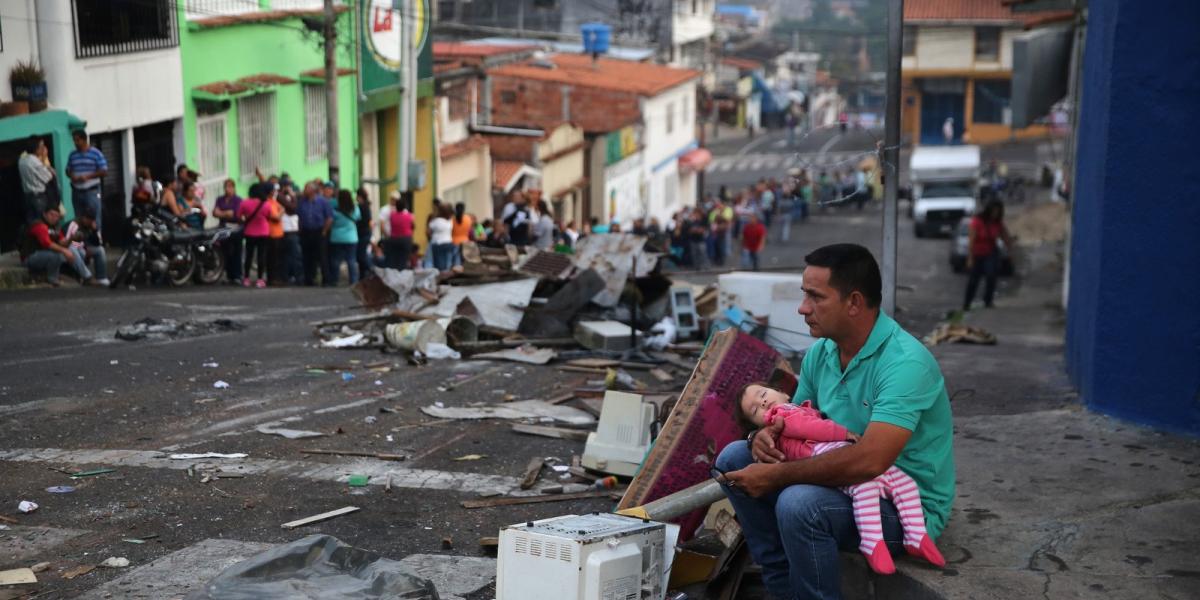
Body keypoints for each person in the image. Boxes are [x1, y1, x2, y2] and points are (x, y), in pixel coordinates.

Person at [713, 243, 954, 600]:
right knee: (733, 458)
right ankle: (782, 589)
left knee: (798, 503)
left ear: (854, 303)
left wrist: (776, 475)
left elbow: (869, 460)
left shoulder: (905, 364)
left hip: (901, 506)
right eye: (803, 295)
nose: (802, 308)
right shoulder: (821, 353)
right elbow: (794, 423)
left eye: (815, 297)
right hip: (843, 486)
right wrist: (762, 438)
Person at [733, 384, 946, 575]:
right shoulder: (783, 414)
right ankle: (872, 542)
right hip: (824, 454)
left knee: (904, 483)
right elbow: (810, 428)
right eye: (755, 410)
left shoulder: (796, 407)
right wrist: (845, 433)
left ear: (784, 392)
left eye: (762, 394)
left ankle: (916, 536)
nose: (762, 402)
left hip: (839, 454)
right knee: (863, 487)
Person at [20, 205, 93, 287]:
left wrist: (71, 239)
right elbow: (47, 244)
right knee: (59, 254)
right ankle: (53, 279)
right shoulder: (39, 225)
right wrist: (65, 250)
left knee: (80, 251)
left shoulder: (55, 227)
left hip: (47, 253)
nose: (54, 218)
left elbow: (63, 242)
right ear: (45, 214)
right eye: (51, 215)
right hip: (31, 256)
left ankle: (79, 276)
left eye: (56, 216)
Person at [963, 200, 1013, 310]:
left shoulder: (997, 223)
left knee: (991, 275)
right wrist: (970, 258)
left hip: (990, 253)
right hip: (977, 252)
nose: (995, 213)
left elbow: (1005, 236)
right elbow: (971, 240)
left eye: (998, 212)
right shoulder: (977, 221)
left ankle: (988, 300)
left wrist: (1010, 251)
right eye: (994, 211)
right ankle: (967, 303)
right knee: (973, 280)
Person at [66, 130, 107, 232]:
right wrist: (72, 176)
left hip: (91, 191)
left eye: (77, 140)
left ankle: (96, 242)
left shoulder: (96, 153)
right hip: (77, 191)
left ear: (84, 140)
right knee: (79, 219)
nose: (75, 143)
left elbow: (104, 171)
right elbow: (67, 170)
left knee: (94, 217)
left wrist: (88, 176)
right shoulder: (72, 154)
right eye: (74, 140)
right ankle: (79, 245)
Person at [296, 181, 333, 286]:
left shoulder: (323, 202)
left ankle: (326, 279)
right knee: (307, 256)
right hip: (306, 231)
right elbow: (299, 216)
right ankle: (309, 278)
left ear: (313, 190)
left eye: (306, 188)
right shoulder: (302, 202)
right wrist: (300, 229)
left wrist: (324, 231)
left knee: (322, 256)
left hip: (319, 231)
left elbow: (329, 218)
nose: (304, 190)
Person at [237, 183, 272, 288]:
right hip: (263, 232)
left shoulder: (245, 203)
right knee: (261, 256)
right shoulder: (266, 204)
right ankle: (260, 279)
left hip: (249, 232)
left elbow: (239, 216)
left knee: (249, 256)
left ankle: (246, 278)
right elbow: (268, 216)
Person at [64, 207, 109, 286]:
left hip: (83, 248)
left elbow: (99, 243)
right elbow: (67, 242)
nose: (87, 220)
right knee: (74, 248)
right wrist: (83, 247)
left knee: (100, 250)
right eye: (86, 217)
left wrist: (95, 231)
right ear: (82, 217)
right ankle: (87, 277)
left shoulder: (92, 226)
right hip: (70, 248)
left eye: (90, 219)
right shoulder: (74, 224)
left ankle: (101, 277)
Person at [326, 189, 361, 286]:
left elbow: (330, 221)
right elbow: (358, 218)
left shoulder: (335, 210)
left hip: (336, 237)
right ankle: (353, 280)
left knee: (335, 260)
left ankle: (335, 279)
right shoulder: (355, 208)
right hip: (351, 237)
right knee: (351, 260)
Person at [19, 136, 56, 224]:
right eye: (41, 146)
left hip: (28, 195)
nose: (43, 148)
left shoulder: (22, 160)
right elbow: (49, 177)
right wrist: (44, 159)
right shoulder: (35, 161)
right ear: (36, 148)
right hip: (38, 197)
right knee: (42, 222)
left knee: (32, 223)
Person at [212, 179, 243, 284]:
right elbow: (215, 212)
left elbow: (234, 214)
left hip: (235, 229)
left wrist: (221, 213)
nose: (227, 189)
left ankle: (237, 275)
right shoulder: (220, 199)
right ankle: (228, 275)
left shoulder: (238, 200)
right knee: (225, 252)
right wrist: (225, 213)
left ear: (234, 188)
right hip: (223, 228)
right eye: (226, 187)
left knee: (236, 252)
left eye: (230, 187)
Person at [380, 190, 414, 270]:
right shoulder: (408, 215)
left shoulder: (392, 215)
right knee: (402, 261)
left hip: (393, 239)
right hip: (404, 239)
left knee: (392, 261)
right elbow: (412, 226)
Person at [427, 204, 454, 271]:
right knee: (448, 263)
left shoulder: (435, 221)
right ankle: (447, 276)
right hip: (448, 242)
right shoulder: (450, 221)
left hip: (437, 243)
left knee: (439, 264)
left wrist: (430, 238)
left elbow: (428, 232)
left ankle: (440, 277)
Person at [355, 188, 375, 275]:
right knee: (361, 254)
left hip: (363, 233)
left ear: (359, 196)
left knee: (360, 255)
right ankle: (363, 274)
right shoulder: (366, 206)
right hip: (365, 233)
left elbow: (369, 221)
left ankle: (371, 270)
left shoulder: (362, 207)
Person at [450, 201, 473, 266]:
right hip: (465, 241)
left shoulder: (452, 219)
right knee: (465, 260)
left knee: (456, 260)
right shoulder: (468, 218)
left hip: (454, 241)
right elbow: (470, 231)